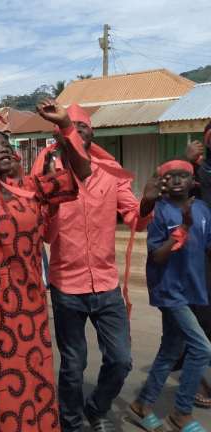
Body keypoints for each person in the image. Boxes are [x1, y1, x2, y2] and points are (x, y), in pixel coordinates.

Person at [0, 99, 87, 431]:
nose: (5, 149)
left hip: (30, 300)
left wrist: (66, 126)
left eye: (7, 144)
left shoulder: (31, 188)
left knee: (35, 376)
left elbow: (81, 172)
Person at [42, 103, 160, 432]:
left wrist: (147, 201)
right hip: (66, 285)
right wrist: (52, 194)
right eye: (70, 127)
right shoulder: (50, 177)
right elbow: (45, 234)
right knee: (73, 366)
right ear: (60, 136)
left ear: (92, 133)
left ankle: (95, 409)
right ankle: (72, 421)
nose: (77, 132)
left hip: (106, 284)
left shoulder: (112, 174)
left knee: (121, 360)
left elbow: (136, 220)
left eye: (83, 127)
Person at [128, 159, 211, 432]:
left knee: (170, 350)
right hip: (169, 290)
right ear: (163, 183)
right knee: (201, 348)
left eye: (183, 175)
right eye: (171, 176)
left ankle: (142, 404)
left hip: (193, 290)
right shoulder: (160, 212)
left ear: (193, 182)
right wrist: (183, 229)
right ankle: (182, 412)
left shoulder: (202, 210)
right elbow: (157, 256)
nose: (177, 180)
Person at [184, 119, 211, 407]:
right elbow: (179, 195)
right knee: (203, 317)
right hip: (202, 255)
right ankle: (200, 380)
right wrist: (189, 164)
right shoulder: (198, 169)